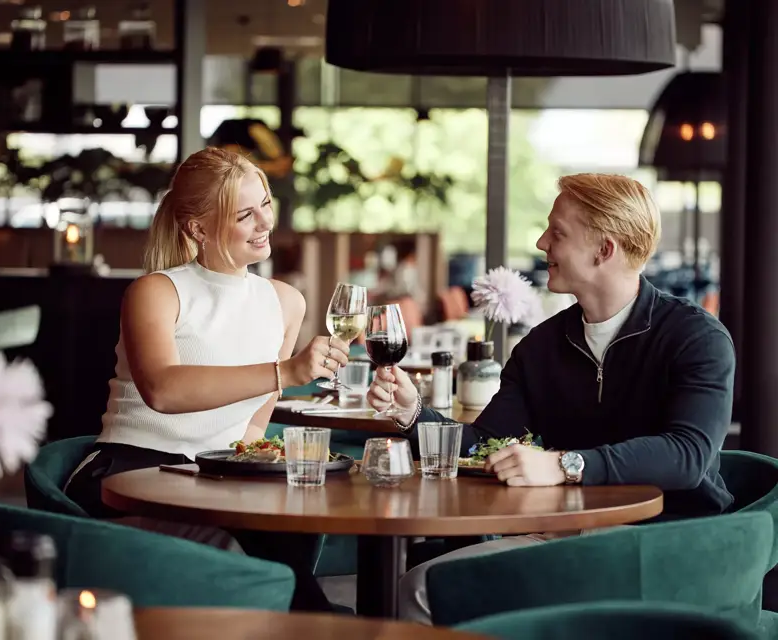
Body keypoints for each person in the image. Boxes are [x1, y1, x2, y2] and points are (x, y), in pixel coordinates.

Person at [367, 173, 736, 623]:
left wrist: (564, 465)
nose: (542, 243)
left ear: (604, 250)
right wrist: (412, 414)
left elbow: (688, 455)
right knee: (424, 588)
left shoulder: (694, 336)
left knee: (434, 592)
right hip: (569, 536)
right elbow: (486, 445)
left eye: (557, 232)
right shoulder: (540, 348)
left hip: (670, 545)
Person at [64, 147, 349, 612]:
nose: (265, 223)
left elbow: (253, 426)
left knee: (283, 535)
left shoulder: (285, 301)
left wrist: (257, 463)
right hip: (128, 473)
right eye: (245, 214)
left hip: (214, 474)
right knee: (241, 554)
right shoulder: (156, 291)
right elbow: (162, 388)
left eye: (266, 205)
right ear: (197, 229)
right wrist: (288, 371)